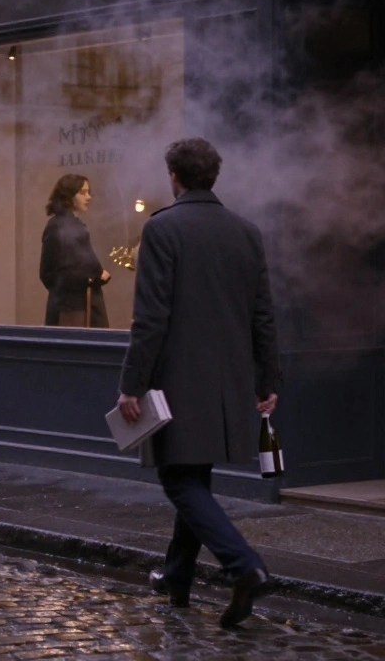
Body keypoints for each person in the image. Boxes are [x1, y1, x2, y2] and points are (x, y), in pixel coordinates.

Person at [117, 137, 281, 629]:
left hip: (177, 382)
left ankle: (243, 564)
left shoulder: (163, 229)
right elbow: (263, 316)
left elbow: (150, 318)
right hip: (230, 382)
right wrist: (268, 379)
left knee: (177, 477)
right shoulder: (246, 232)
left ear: (175, 176)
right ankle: (176, 579)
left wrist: (131, 384)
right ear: (214, 176)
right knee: (194, 476)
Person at [39, 174, 111, 328]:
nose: (89, 197)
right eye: (82, 192)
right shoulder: (59, 227)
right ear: (69, 195)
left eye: (88, 192)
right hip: (72, 309)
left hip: (79, 304)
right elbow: (52, 274)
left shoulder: (70, 225)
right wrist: (95, 276)